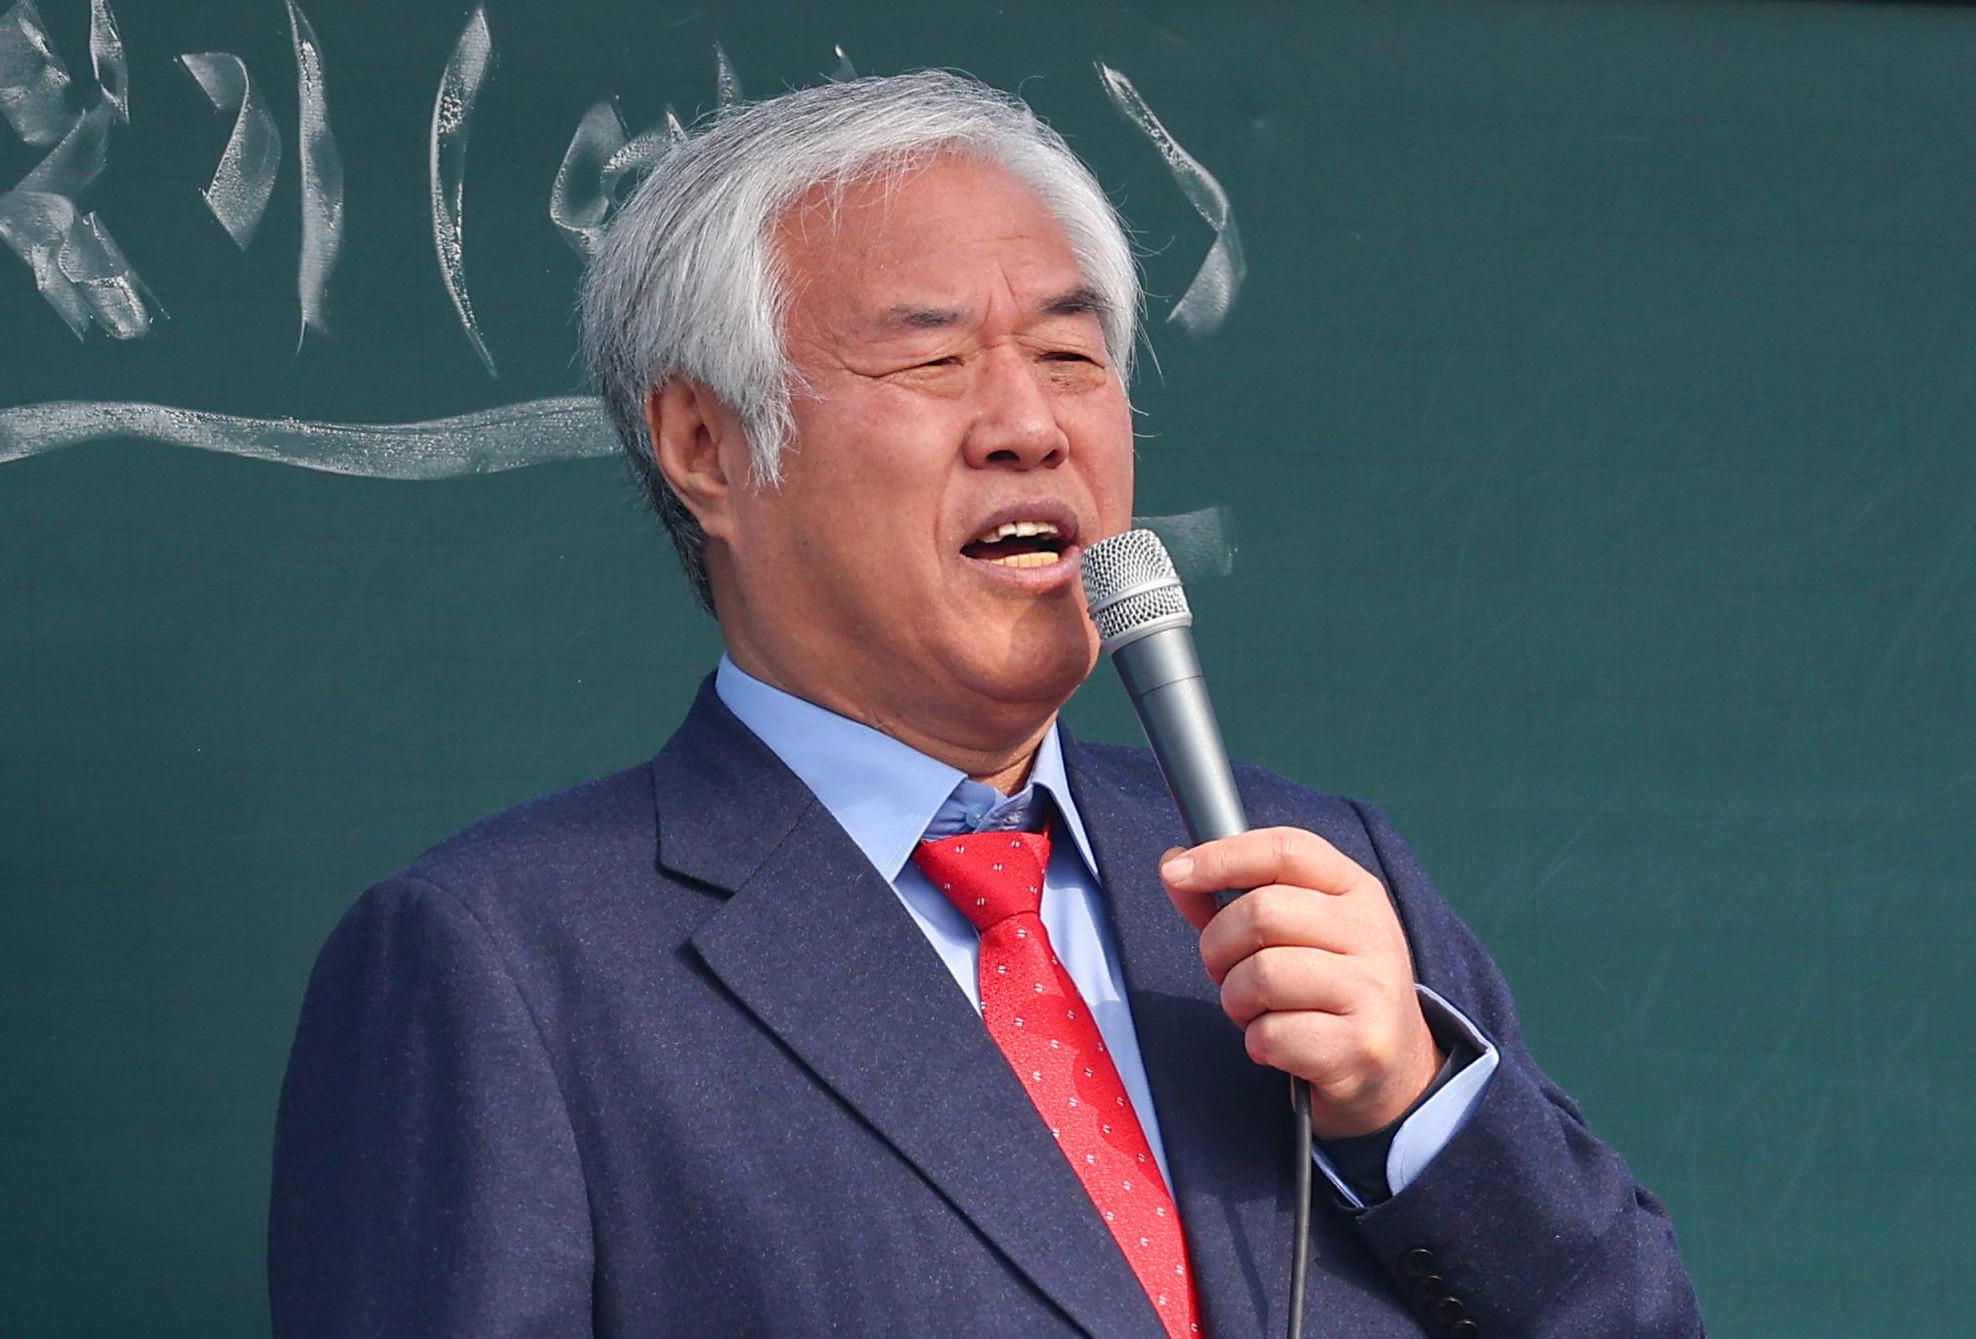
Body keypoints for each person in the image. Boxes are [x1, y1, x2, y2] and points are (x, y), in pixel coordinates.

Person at [269, 71, 1702, 1339]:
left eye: (1072, 358)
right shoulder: (504, 964)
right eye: (936, 358)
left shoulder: (1318, 875)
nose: (1032, 425)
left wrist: (1416, 1110)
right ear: (705, 444)